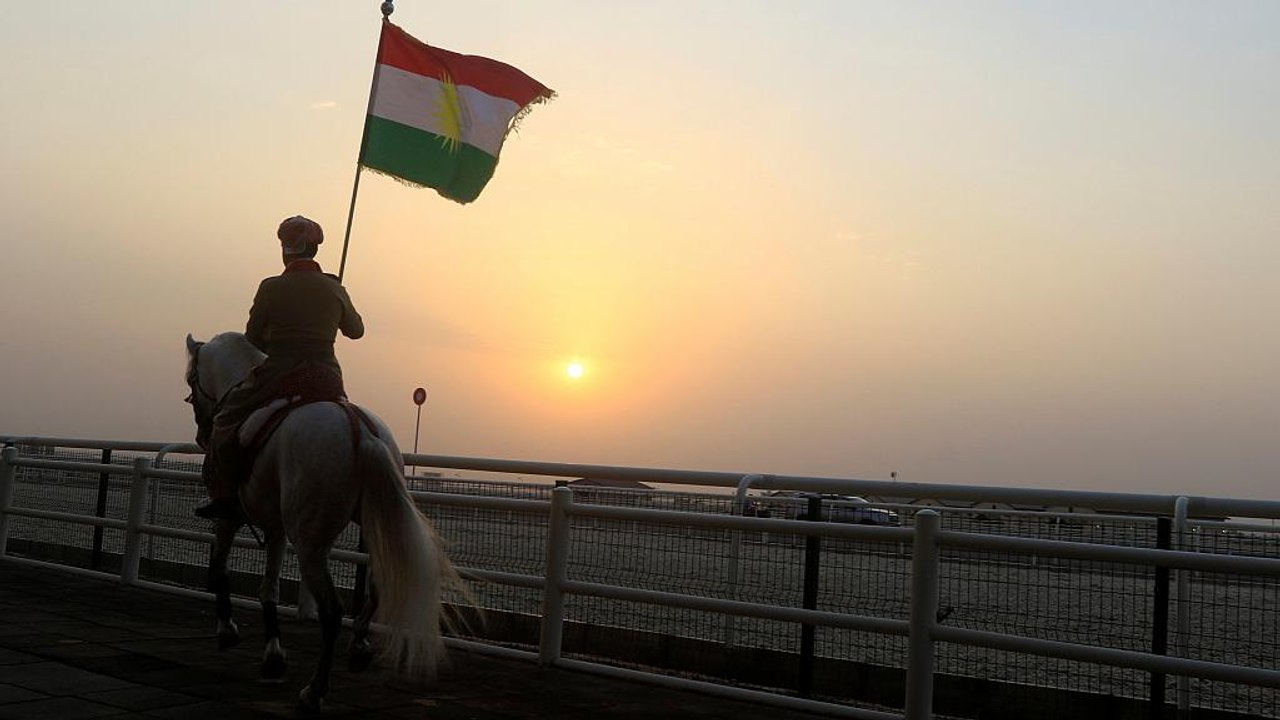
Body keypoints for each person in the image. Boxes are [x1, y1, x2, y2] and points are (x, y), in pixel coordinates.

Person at [194, 215, 365, 520]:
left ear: (286, 249)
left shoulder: (271, 287)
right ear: (314, 249)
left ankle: (224, 496)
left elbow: (252, 337)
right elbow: (356, 331)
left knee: (225, 420)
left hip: (279, 373)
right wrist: (337, 294)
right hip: (328, 376)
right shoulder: (334, 287)